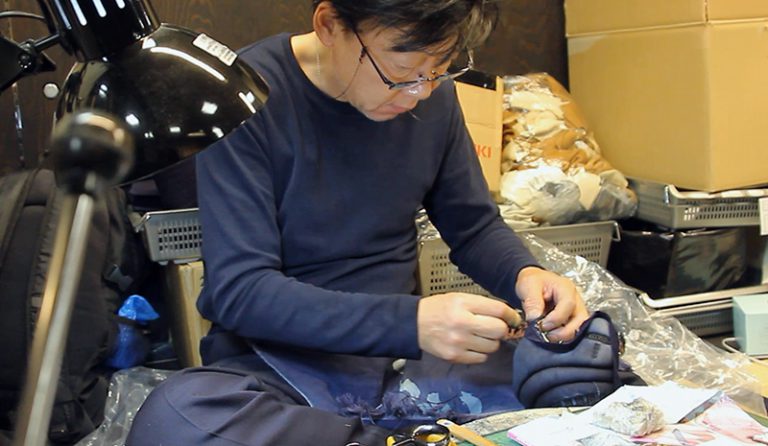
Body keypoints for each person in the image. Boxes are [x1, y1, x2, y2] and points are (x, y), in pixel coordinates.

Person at [127, 1, 589, 444]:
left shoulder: (435, 95)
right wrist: (411, 323)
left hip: (406, 366)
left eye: (440, 68)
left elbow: (474, 227)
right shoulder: (243, 100)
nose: (418, 95)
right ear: (330, 24)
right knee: (176, 418)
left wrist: (526, 275)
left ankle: (393, 437)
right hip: (281, 372)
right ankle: (410, 437)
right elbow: (241, 291)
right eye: (400, 75)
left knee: (588, 365)